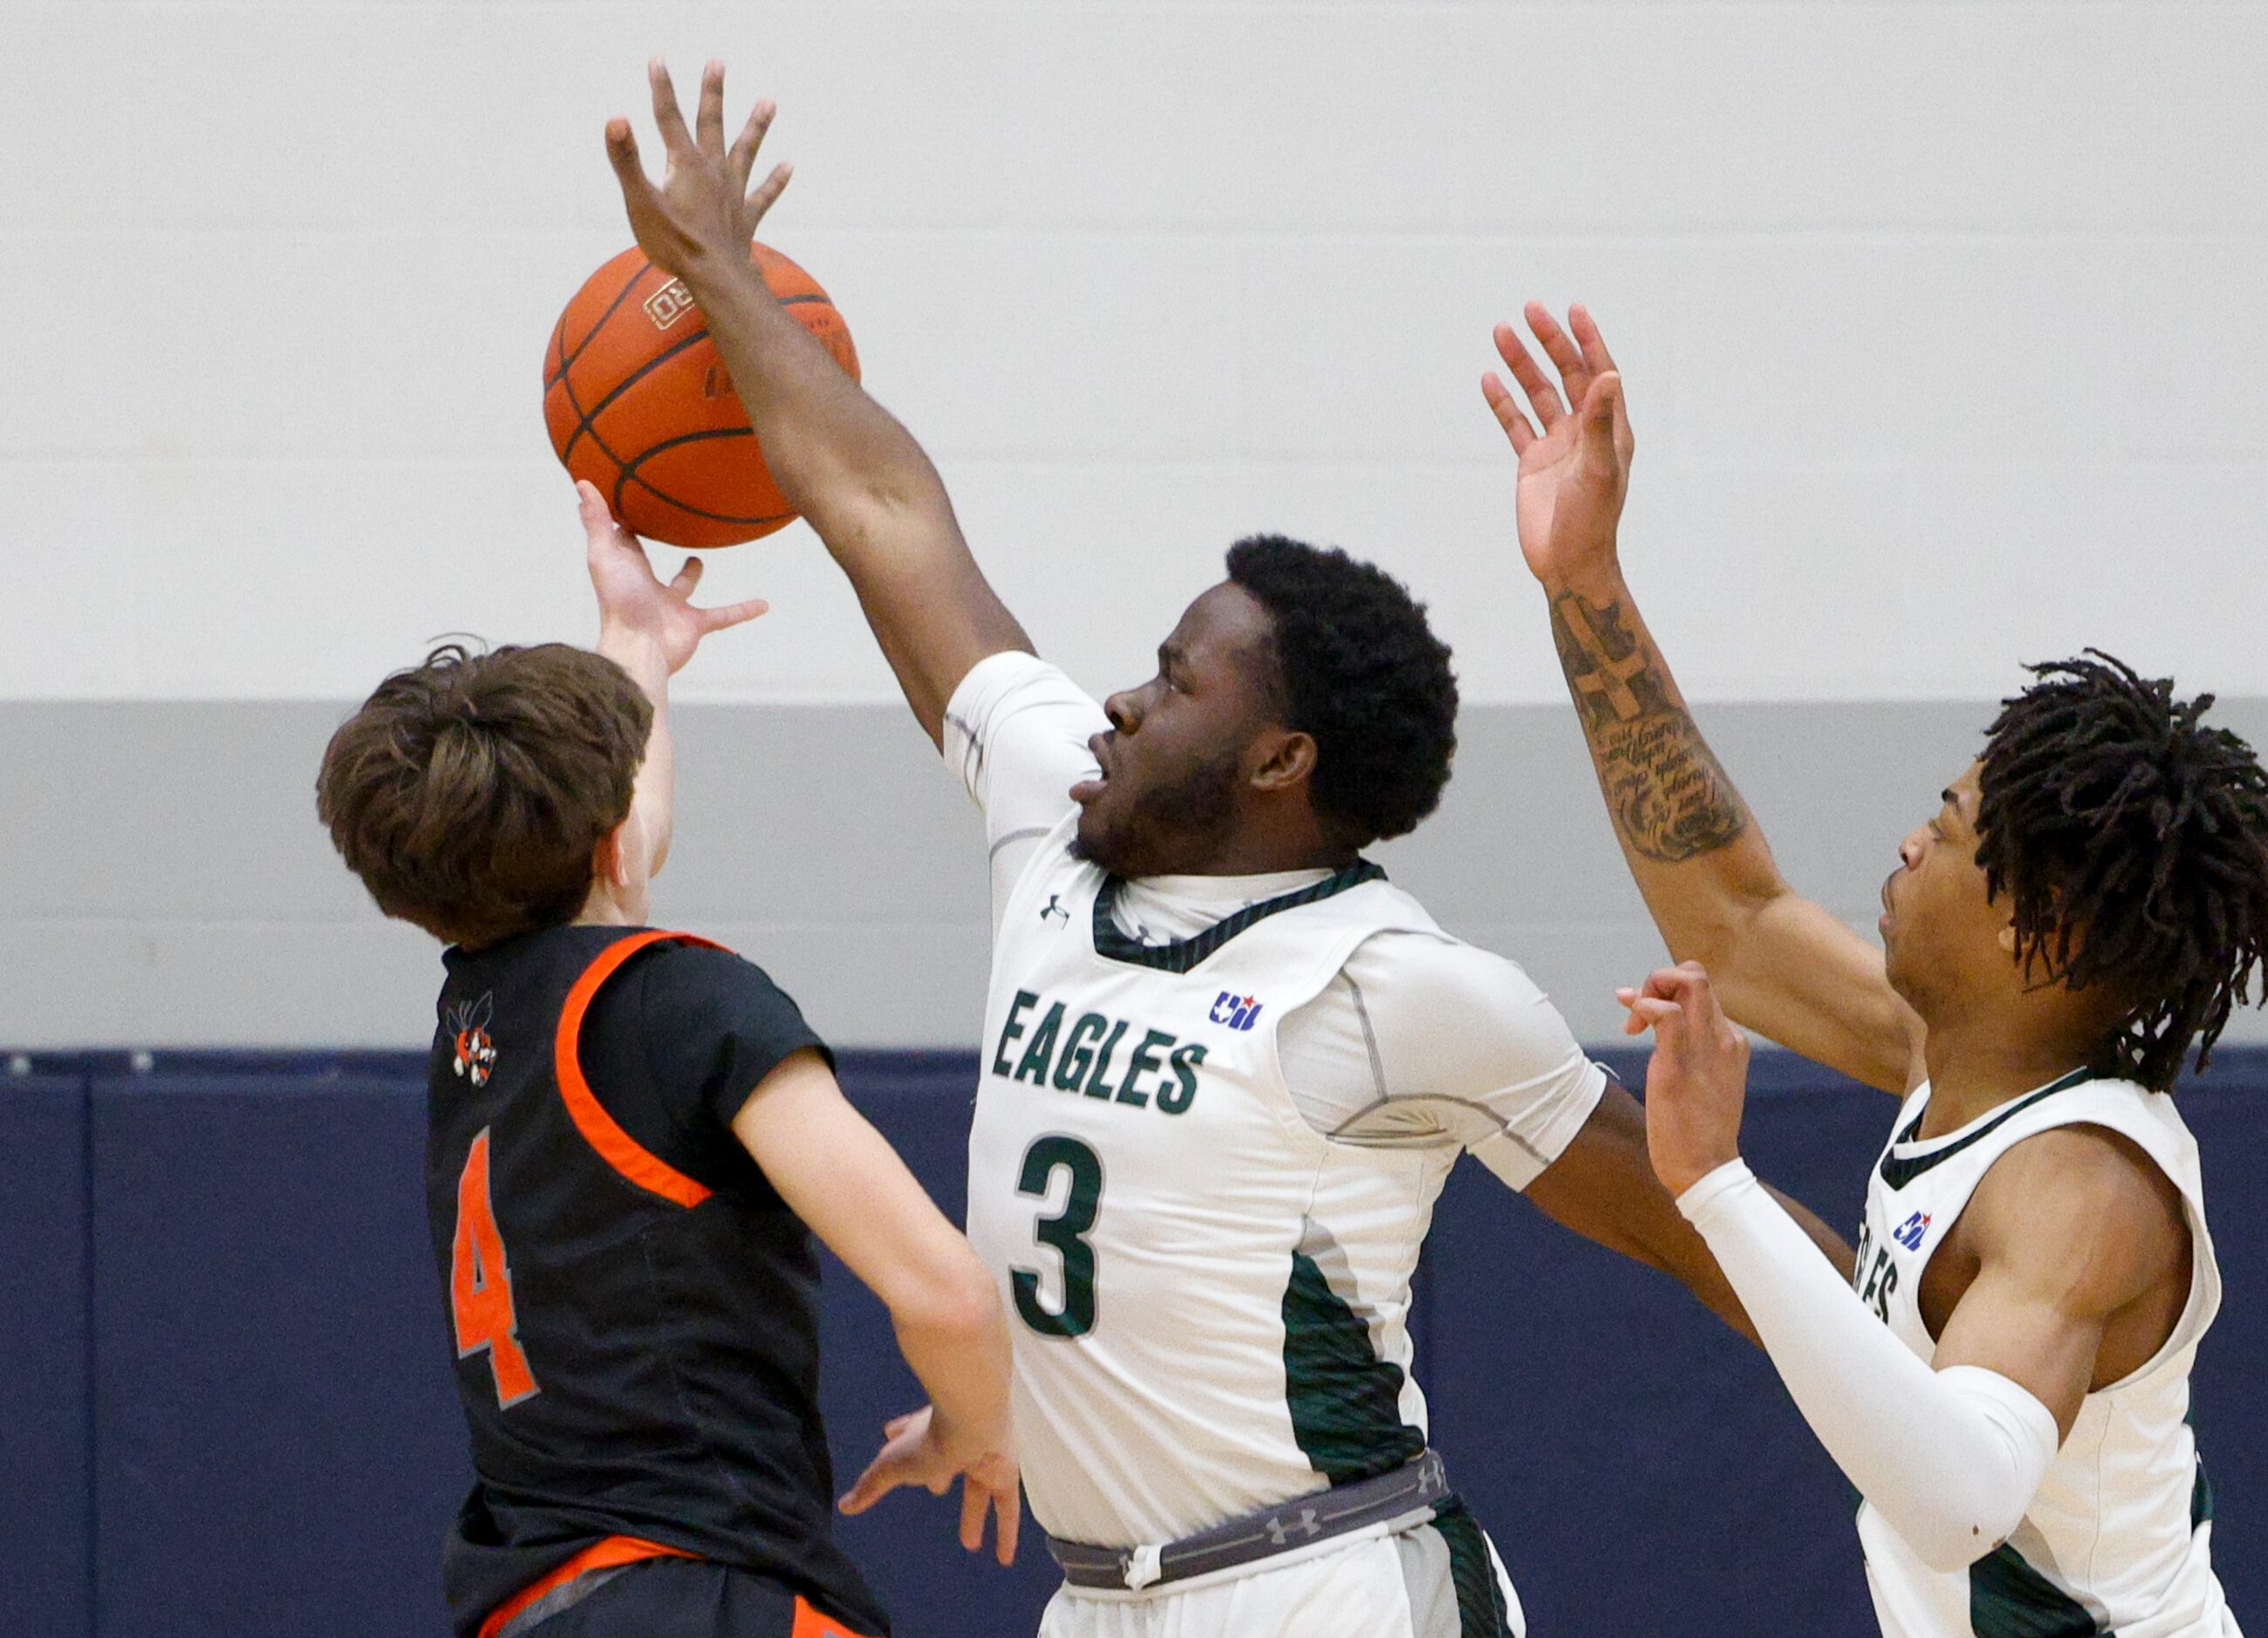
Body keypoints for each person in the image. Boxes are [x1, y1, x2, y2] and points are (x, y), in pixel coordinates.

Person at [598, 59, 1850, 1638]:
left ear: (1281, 758)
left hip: (1328, 1584)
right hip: (1095, 1599)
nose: (1119, 694)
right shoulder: (1060, 804)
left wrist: (1945, 1376)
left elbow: (1702, 1229)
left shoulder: (1397, 984)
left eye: (1177, 680)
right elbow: (883, 505)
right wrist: (714, 268)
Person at [1482, 302, 2268, 1637]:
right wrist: (1585, 584)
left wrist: (1715, 1188)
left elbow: (1960, 1499)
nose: (1908, 839)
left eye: (1945, 830)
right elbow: (1732, 919)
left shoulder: (2083, 1194)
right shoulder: (1971, 1053)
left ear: (2037, 933)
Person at [314, 482, 1020, 1638]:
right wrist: (980, 1428)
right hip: (699, 1592)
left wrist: (636, 636)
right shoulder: (681, 1005)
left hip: (535, 1603)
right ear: (605, 841)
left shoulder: (481, 1014)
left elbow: (615, 841)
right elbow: (946, 1293)